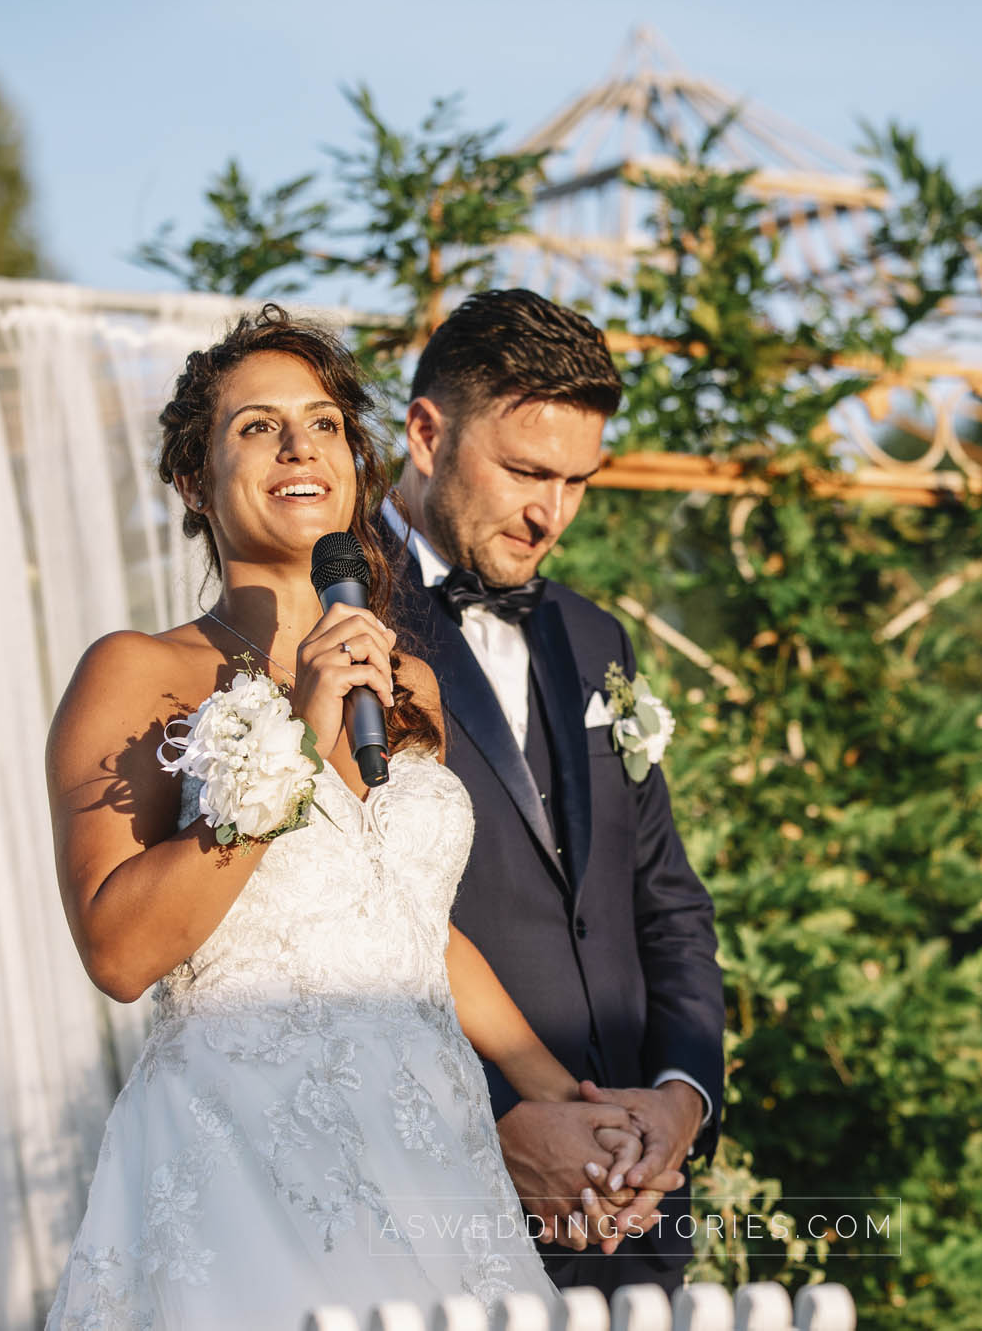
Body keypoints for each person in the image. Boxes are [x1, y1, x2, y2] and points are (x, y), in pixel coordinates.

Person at [41, 306, 675, 1328]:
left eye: (323, 423)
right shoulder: (136, 672)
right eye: (256, 427)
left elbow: (405, 916)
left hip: (435, 1154)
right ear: (191, 483)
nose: (299, 447)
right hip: (243, 1164)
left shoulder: (404, 673)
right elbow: (117, 953)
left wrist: (559, 1094)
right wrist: (292, 735)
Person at [382, 289, 725, 1295]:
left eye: (578, 479)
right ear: (424, 431)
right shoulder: (324, 626)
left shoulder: (595, 638)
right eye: (527, 471)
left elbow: (662, 896)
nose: (551, 512)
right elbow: (331, 933)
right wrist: (500, 1123)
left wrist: (678, 1100)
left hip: (632, 1205)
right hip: (425, 1196)